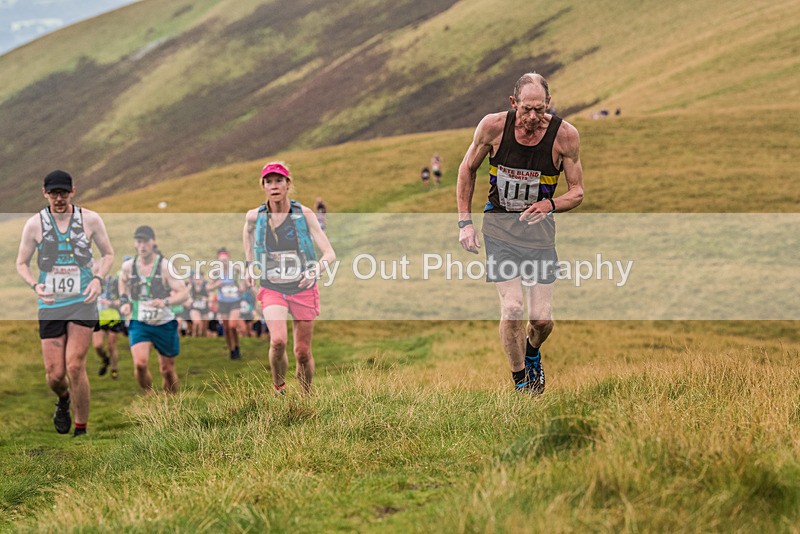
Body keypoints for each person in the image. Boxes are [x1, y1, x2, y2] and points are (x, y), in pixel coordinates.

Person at [456, 72, 584, 394]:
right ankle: (521, 384)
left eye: (539, 110)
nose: (532, 117)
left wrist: (550, 205)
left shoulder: (564, 137)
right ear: (514, 103)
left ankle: (532, 354)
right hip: (500, 230)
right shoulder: (493, 127)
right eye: (526, 109)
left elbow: (578, 191)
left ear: (548, 104)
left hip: (540, 238)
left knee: (542, 321)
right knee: (512, 308)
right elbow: (467, 169)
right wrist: (465, 223)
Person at [16, 170, 114, 436]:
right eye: (53, 193)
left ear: (73, 191)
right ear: (44, 193)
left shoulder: (90, 219)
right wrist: (36, 285)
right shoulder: (35, 224)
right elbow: (21, 263)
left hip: (83, 300)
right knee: (56, 375)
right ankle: (63, 399)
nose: (59, 198)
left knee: (75, 365)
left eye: (63, 192)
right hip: (51, 303)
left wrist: (97, 279)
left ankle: (81, 428)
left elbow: (107, 254)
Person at [243, 162, 335, 395]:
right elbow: (247, 233)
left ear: (288, 184)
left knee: (302, 352)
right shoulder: (255, 216)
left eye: (279, 181)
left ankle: (306, 396)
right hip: (273, 287)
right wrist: (249, 264)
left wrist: (315, 271)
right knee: (278, 341)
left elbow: (330, 254)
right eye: (269, 182)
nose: (274, 186)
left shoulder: (304, 214)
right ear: (263, 186)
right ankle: (279, 389)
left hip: (303, 288)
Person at [118, 226, 189, 394]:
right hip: (140, 321)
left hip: (164, 322)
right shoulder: (129, 266)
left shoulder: (165, 266)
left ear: (153, 242)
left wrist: (166, 301)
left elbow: (184, 293)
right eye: (139, 242)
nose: (142, 246)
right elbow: (122, 281)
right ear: (135, 244)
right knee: (140, 364)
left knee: (167, 370)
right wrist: (124, 300)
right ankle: (150, 396)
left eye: (146, 241)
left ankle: (172, 402)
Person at [207, 247, 244, 359]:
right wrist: (216, 284)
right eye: (221, 260)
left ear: (229, 259)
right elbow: (208, 287)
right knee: (226, 328)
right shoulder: (216, 273)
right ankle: (231, 350)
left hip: (235, 301)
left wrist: (242, 285)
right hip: (223, 302)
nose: (224, 262)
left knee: (233, 325)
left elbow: (243, 280)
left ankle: (237, 346)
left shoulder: (235, 270)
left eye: (225, 260)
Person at [93, 262, 127, 380]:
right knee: (98, 346)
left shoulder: (113, 283)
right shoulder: (91, 285)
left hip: (113, 317)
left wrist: (111, 303)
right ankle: (104, 359)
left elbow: (123, 300)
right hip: (98, 319)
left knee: (112, 345)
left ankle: (114, 368)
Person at [187, 270, 210, 338]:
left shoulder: (206, 286)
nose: (198, 281)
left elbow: (212, 296)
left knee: (204, 326)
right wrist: (189, 299)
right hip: (194, 308)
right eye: (196, 279)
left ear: (202, 279)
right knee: (197, 322)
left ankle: (202, 339)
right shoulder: (191, 286)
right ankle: (194, 337)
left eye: (199, 279)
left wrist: (206, 299)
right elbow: (185, 295)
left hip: (204, 308)